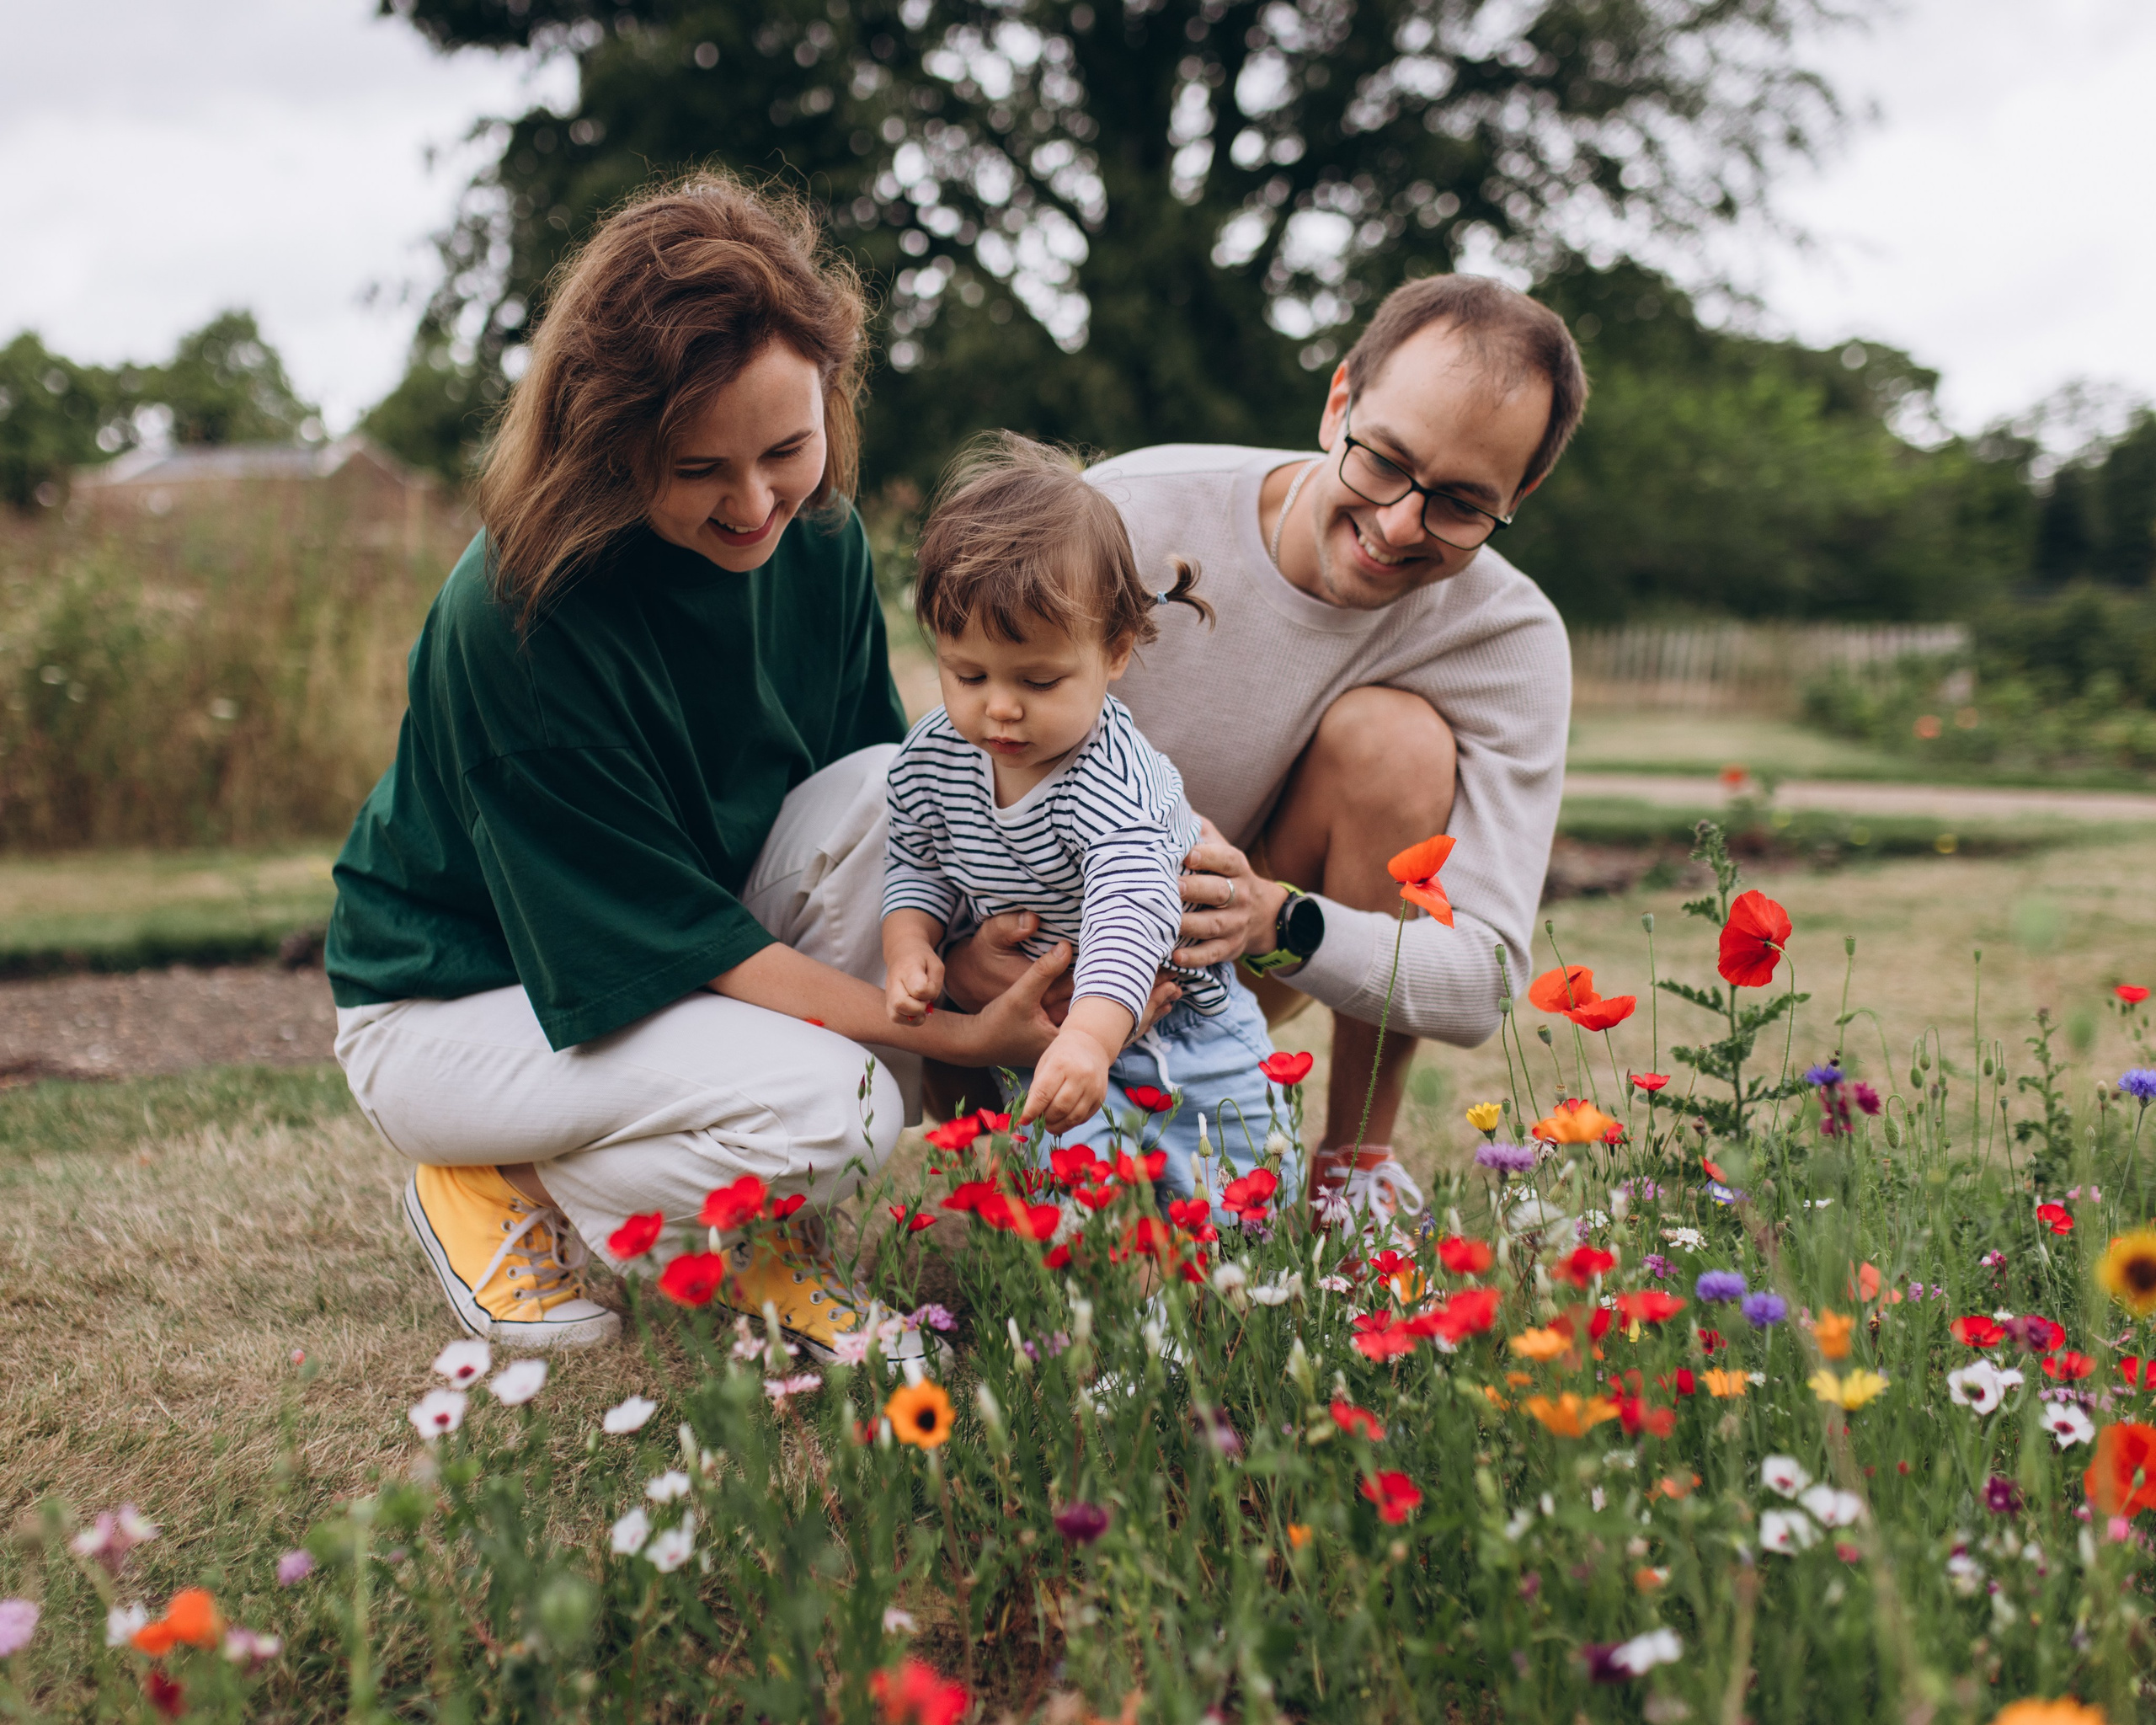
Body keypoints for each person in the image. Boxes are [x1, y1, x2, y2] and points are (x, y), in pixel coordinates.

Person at [324, 174, 1066, 1356]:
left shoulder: (815, 545)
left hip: (674, 946)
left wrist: (960, 957)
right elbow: (668, 942)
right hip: (464, 999)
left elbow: (880, 826)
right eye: (696, 470)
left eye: (786, 448)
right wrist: (945, 1037)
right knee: (848, 1108)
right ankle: (494, 1174)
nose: (754, 501)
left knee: (902, 781)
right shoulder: (523, 614)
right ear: (612, 446)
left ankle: (751, 1226)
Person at [937, 275, 1586, 1244]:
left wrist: (1273, 918)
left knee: (1393, 738)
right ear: (1338, 403)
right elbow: (959, 752)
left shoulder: (1509, 638)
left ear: (1520, 496)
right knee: (1101, 1259)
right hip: (1053, 945)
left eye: (1459, 503)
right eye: (1384, 460)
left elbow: (1482, 980)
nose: (1399, 524)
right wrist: (956, 954)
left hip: (1250, 943)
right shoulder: (1123, 516)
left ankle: (1353, 1165)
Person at [881, 436, 1289, 1210]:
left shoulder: (1112, 780)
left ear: (1116, 652)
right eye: (967, 674)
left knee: (1248, 1202)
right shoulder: (932, 760)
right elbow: (915, 864)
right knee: (1078, 1216)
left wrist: (1091, 1039)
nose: (999, 707)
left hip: (1178, 1024)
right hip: (1056, 1037)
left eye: (1038, 680)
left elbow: (1132, 916)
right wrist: (910, 947)